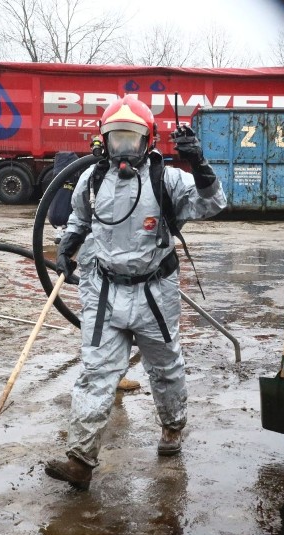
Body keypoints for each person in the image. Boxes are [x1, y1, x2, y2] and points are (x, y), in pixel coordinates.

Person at [44, 95, 226, 490]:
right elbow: (80, 218)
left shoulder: (167, 179)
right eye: (116, 140)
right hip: (105, 291)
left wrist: (199, 162)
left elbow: (213, 203)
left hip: (154, 292)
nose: (123, 149)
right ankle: (80, 459)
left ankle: (172, 427)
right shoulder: (93, 180)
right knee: (96, 373)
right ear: (104, 141)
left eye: (132, 140)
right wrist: (67, 246)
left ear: (149, 140)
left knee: (164, 368)